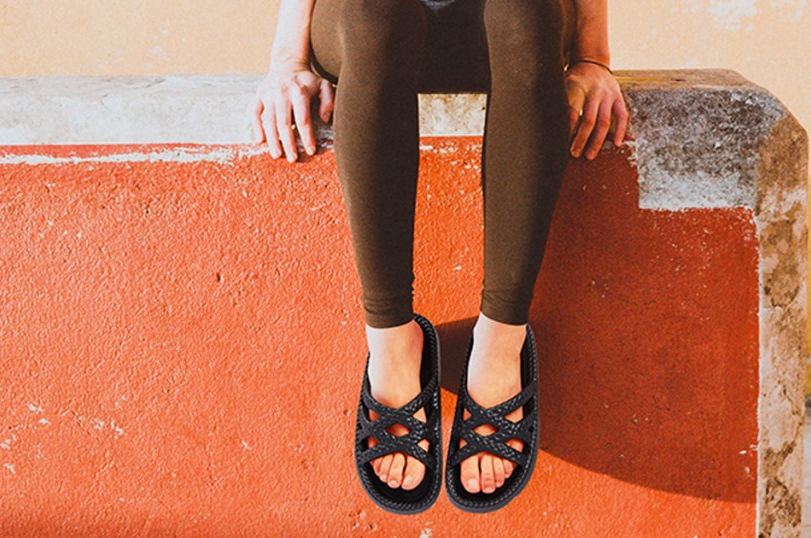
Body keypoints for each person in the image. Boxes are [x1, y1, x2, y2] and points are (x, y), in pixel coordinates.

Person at [255, 0, 628, 512]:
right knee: (376, 14)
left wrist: (593, 58)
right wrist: (286, 61)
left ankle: (501, 345)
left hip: (509, 32)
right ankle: (391, 345)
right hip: (364, 30)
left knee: (524, 10)